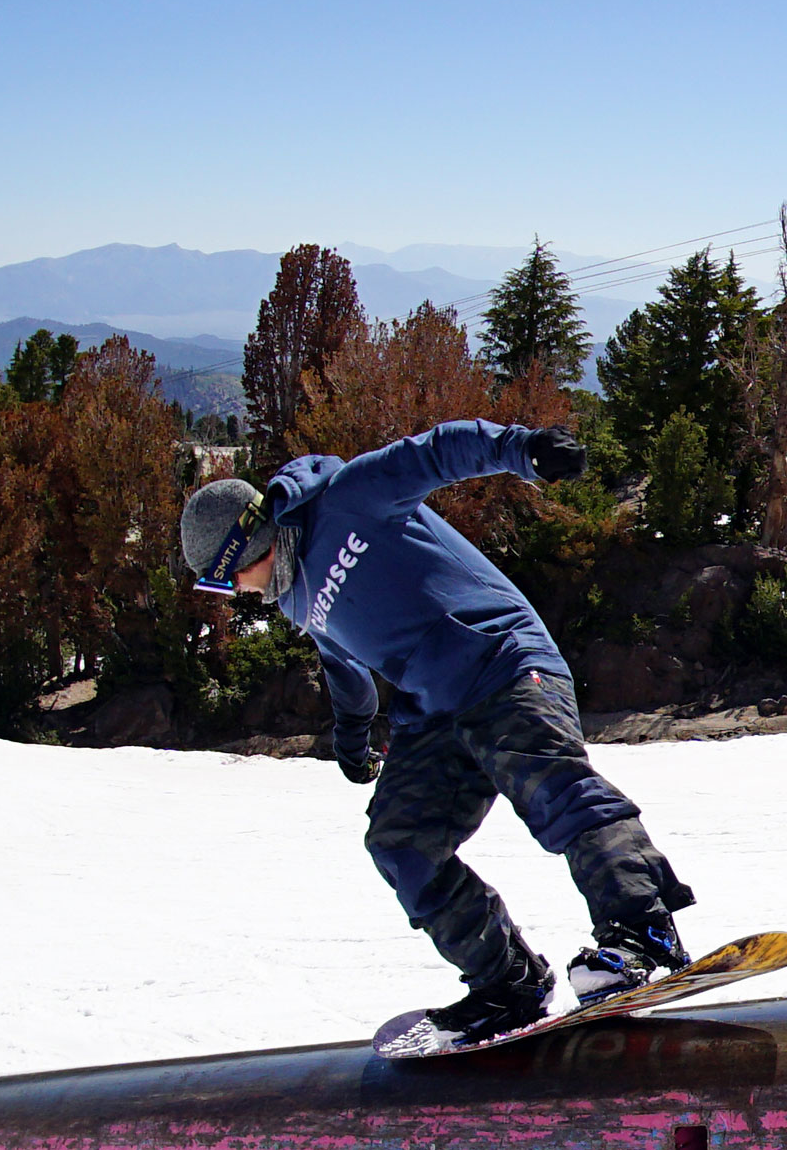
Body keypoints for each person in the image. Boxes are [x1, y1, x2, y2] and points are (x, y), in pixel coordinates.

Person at [181, 421, 695, 1044]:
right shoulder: (295, 596)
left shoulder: (348, 498)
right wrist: (351, 731)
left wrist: (523, 450)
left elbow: (436, 453)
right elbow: (342, 660)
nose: (229, 592)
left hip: (501, 660)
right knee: (401, 843)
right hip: (434, 711)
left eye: (220, 576)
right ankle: (508, 980)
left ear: (246, 544)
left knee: (550, 786)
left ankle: (641, 927)